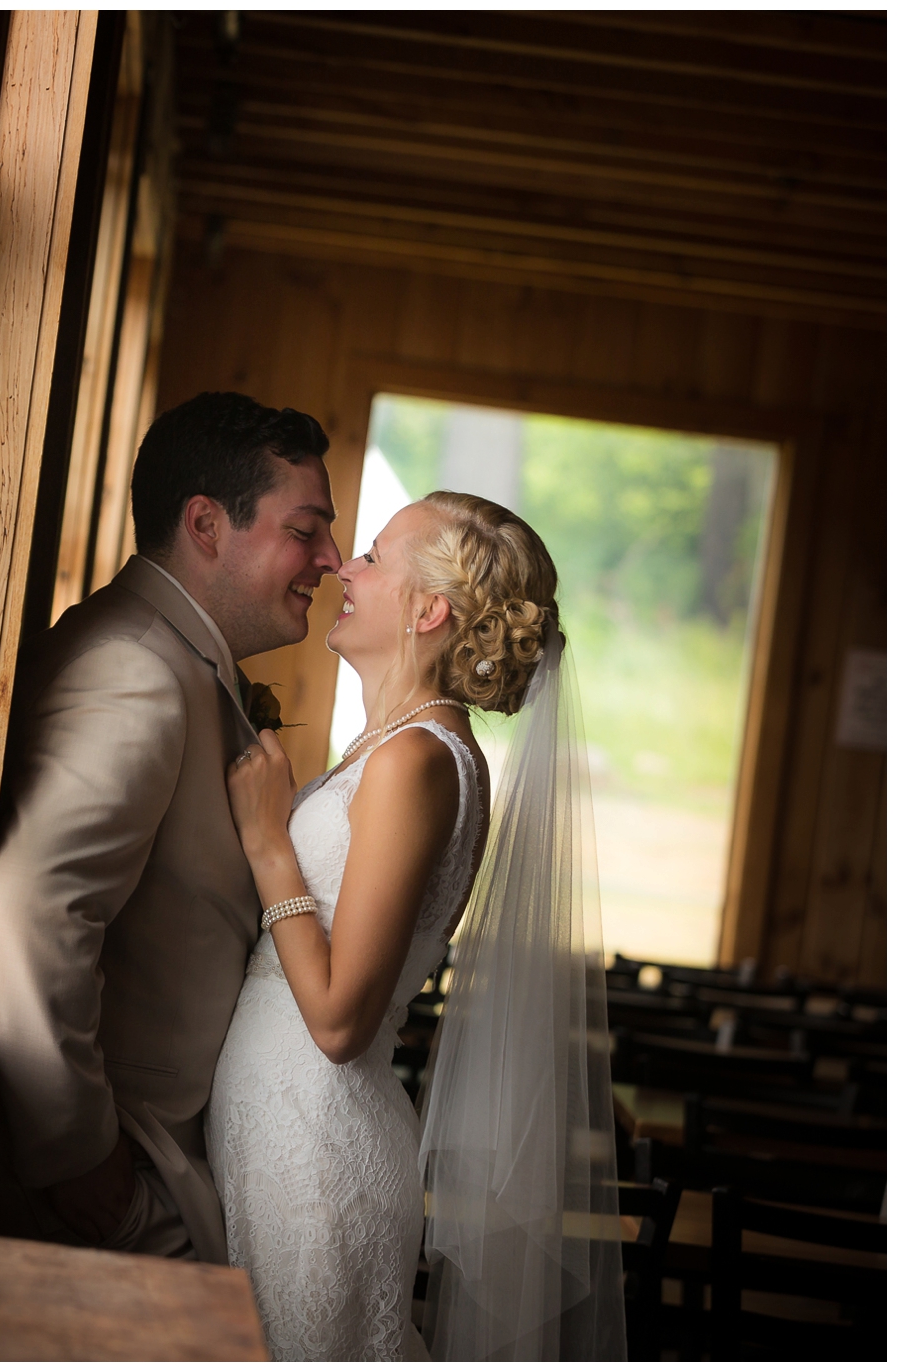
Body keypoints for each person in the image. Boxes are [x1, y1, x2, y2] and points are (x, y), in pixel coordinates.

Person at [213, 490, 623, 1360]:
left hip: (316, 1151)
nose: (343, 570)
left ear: (428, 609)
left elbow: (338, 1021)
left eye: (371, 557)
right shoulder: (396, 747)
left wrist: (266, 841)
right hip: (280, 1127)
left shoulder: (417, 763)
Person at [0, 391, 340, 1263]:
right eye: (305, 529)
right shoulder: (135, 669)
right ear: (206, 524)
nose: (331, 558)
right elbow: (37, 911)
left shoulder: (175, 659)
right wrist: (78, 1154)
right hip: (100, 1191)